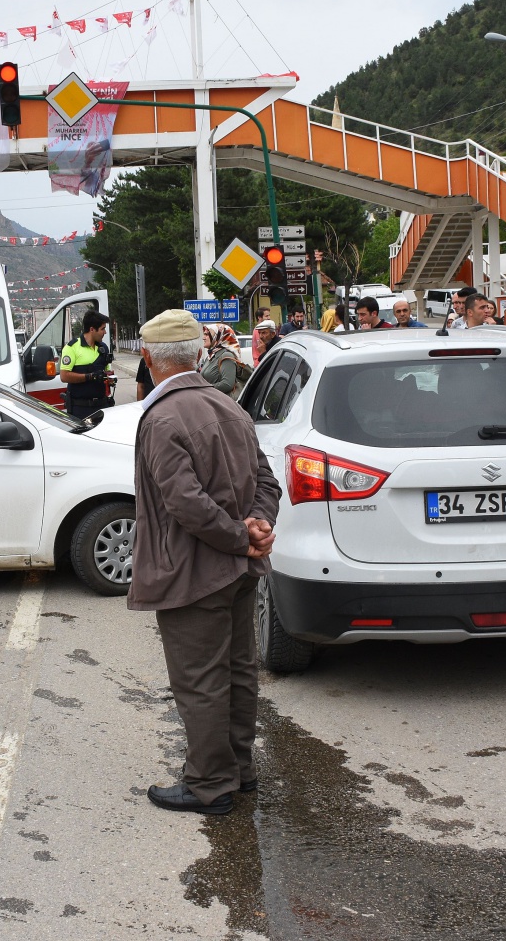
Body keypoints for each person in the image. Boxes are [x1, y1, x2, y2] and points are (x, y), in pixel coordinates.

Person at [132, 309, 281, 815]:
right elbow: (267, 482)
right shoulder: (229, 405)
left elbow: (186, 504)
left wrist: (242, 537)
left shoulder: (162, 417)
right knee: (238, 671)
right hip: (238, 569)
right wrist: (255, 527)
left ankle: (210, 784)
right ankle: (239, 771)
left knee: (200, 679)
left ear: (149, 358)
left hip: (195, 571)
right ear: (198, 354)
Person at [59, 310, 114, 419]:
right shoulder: (72, 348)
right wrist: (90, 376)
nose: (105, 332)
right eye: (103, 329)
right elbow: (64, 376)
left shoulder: (103, 348)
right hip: (80, 410)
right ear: (92, 329)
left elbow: (106, 373)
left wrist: (109, 379)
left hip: (102, 407)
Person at [199, 323, 245, 398]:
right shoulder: (211, 356)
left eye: (207, 335)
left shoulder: (226, 355)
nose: (203, 338)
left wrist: (204, 389)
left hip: (221, 403)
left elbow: (227, 384)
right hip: (209, 400)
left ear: (218, 336)